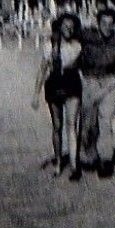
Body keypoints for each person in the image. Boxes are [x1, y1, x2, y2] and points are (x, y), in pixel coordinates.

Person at [32, 12, 84, 180]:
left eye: (71, 26)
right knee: (57, 125)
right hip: (54, 83)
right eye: (65, 26)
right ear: (59, 27)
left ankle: (74, 165)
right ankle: (59, 161)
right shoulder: (50, 45)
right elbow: (43, 69)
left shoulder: (78, 45)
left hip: (72, 82)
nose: (68, 29)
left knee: (72, 124)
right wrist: (36, 94)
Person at [76, 7, 115, 178]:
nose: (107, 27)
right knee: (88, 122)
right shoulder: (86, 36)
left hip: (109, 82)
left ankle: (105, 159)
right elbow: (63, 32)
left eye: (110, 24)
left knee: (105, 121)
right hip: (88, 81)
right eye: (103, 23)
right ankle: (89, 154)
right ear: (98, 23)